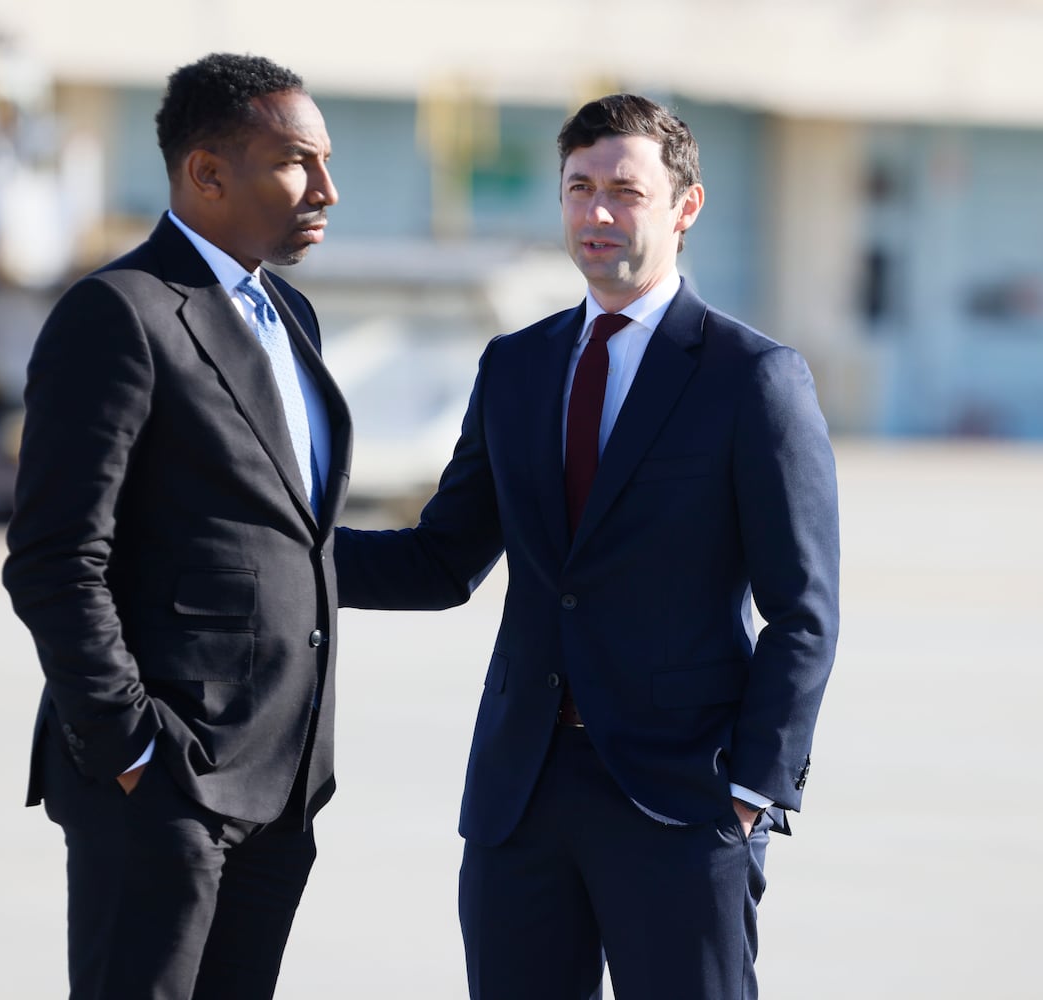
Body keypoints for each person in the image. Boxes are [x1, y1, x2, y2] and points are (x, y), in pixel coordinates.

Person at [335, 94, 840, 999]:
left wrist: (753, 791)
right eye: (578, 188)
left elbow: (802, 611)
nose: (596, 213)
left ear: (685, 207)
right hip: (520, 793)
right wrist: (273, 552)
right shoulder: (516, 366)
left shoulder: (752, 379)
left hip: (682, 797)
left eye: (624, 191)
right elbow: (441, 560)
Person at [2, 53, 350, 1000]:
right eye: (295, 162)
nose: (326, 187)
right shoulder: (118, 313)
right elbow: (53, 557)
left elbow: (280, 538)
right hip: (165, 786)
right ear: (206, 173)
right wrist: (131, 751)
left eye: (324, 160)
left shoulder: (291, 316)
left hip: (281, 785)